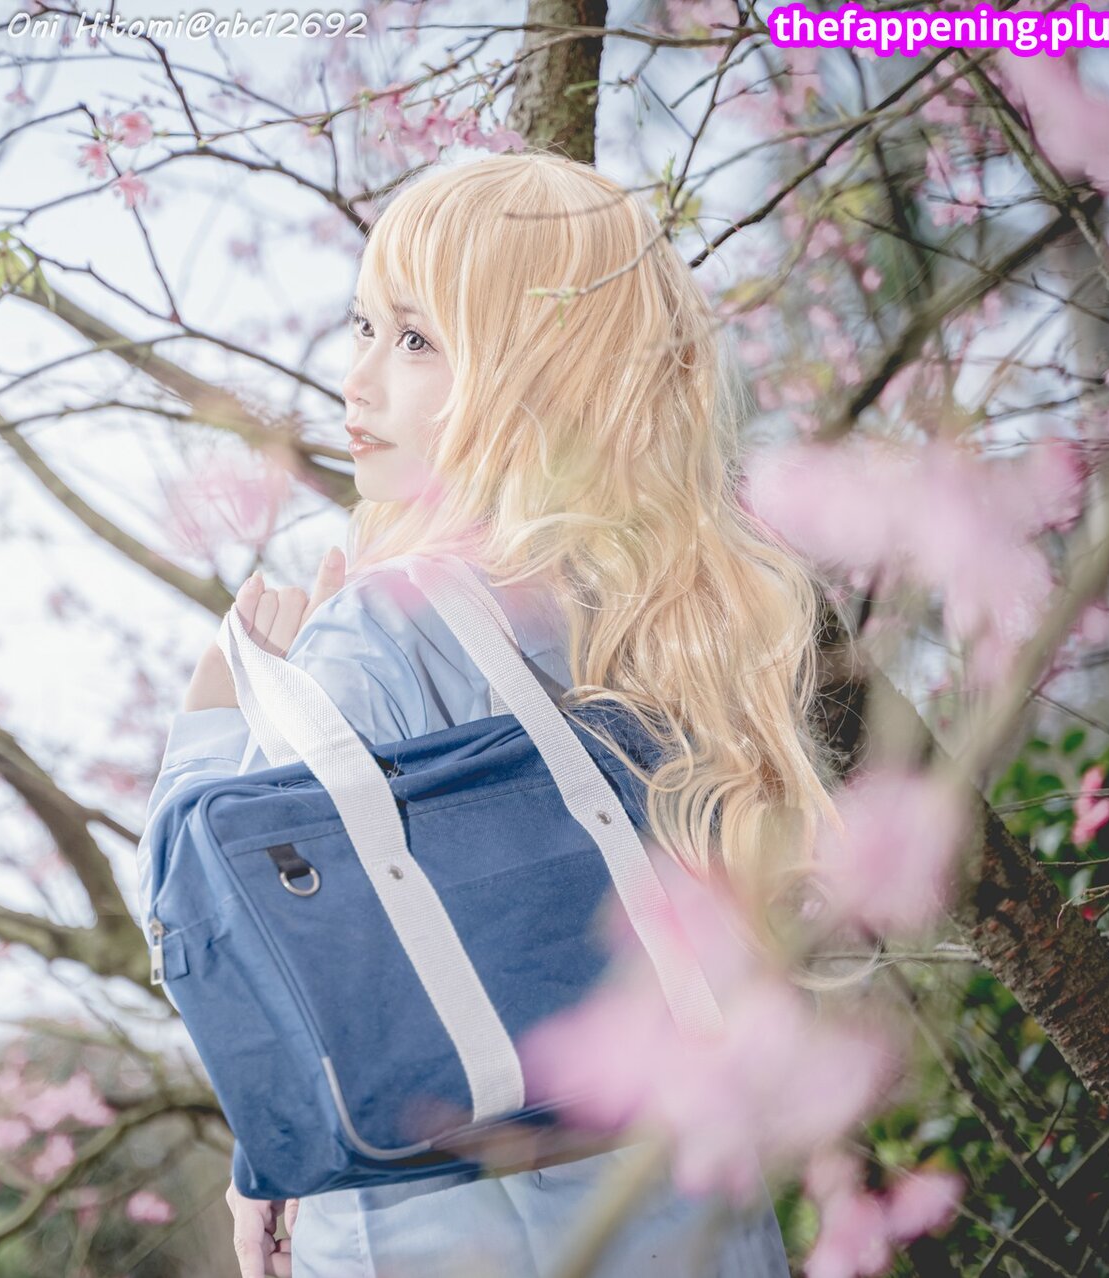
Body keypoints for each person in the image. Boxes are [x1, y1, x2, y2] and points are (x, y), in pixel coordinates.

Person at [138, 151, 841, 1276]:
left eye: (417, 340)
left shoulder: (379, 633)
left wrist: (212, 724)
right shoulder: (666, 625)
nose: (358, 381)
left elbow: (218, 949)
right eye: (364, 327)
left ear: (537, 373)